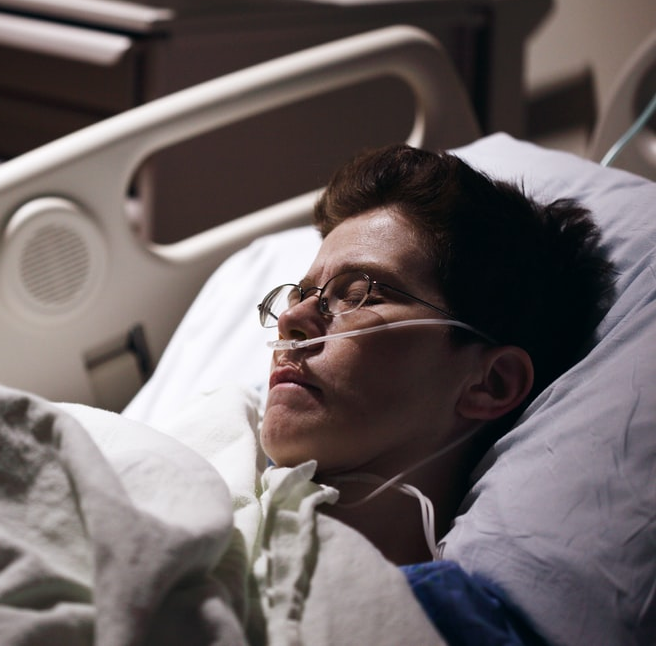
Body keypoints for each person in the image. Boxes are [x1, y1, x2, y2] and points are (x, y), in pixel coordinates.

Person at [256, 143, 614, 642]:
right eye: (300, 294)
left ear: (491, 384)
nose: (293, 321)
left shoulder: (438, 622)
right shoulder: (203, 470)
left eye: (361, 292)